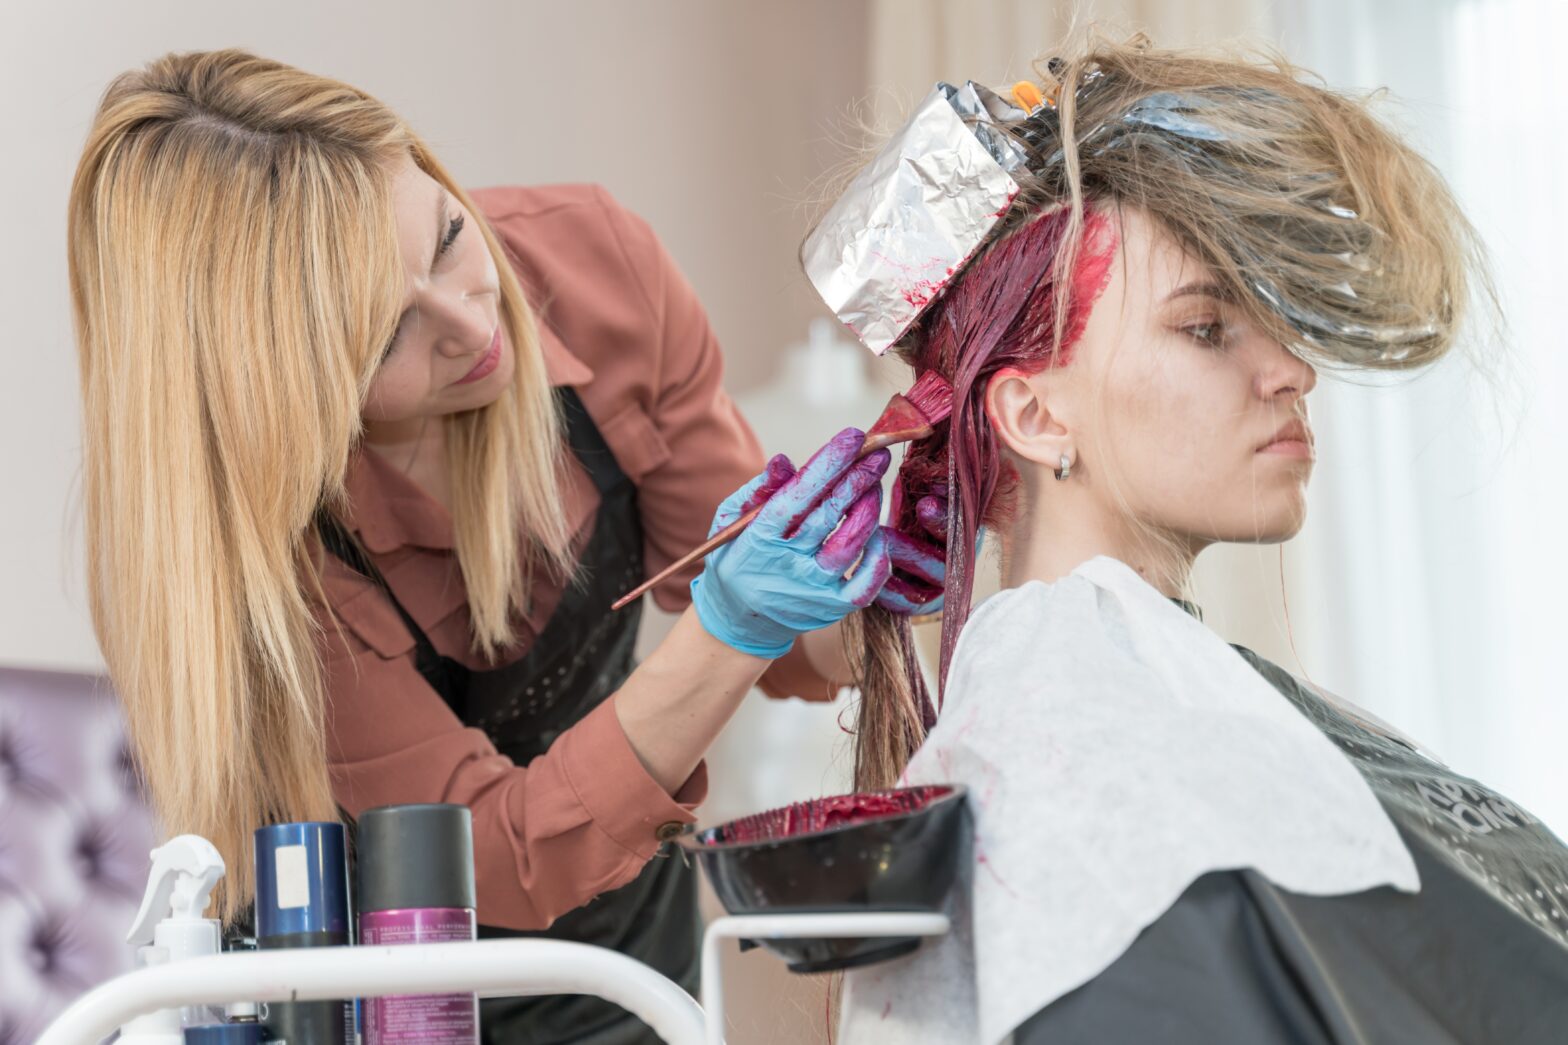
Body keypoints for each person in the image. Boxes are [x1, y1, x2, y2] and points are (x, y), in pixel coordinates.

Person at [66, 48, 932, 1042]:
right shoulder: (259, 559)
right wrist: (725, 627)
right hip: (388, 999)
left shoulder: (596, 271)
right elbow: (502, 857)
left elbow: (796, 647)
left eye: (444, 236)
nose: (469, 317)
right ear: (294, 394)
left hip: (626, 966)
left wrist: (879, 568)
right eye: (382, 337)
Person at [824, 34, 1568, 1044]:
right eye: (1206, 329)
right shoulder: (1073, 724)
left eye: (1269, 320)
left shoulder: (1139, 695)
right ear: (1036, 418)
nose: (1290, 371)